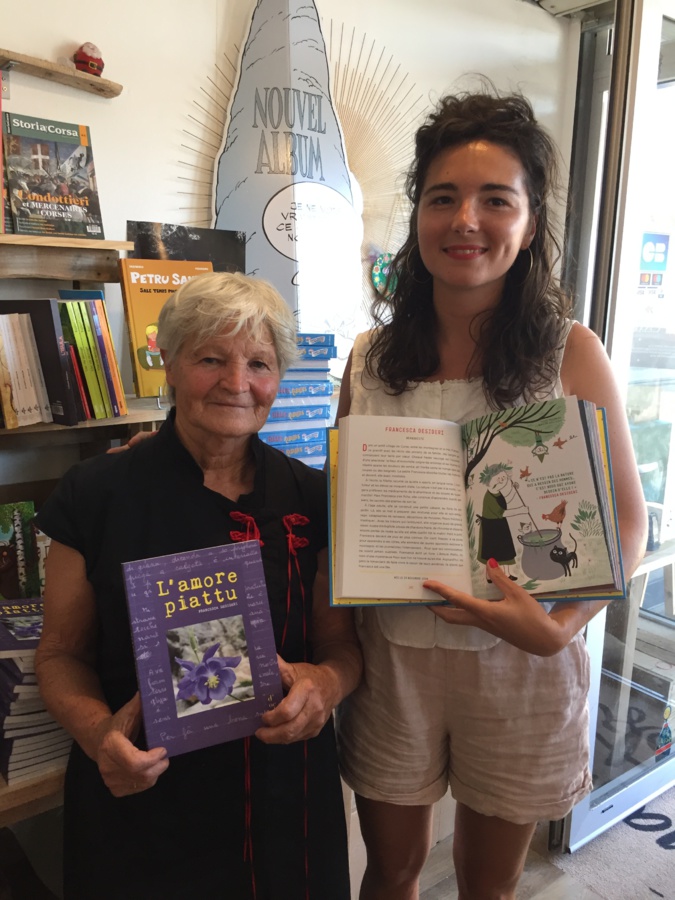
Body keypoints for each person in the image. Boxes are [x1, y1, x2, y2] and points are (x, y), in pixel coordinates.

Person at [335, 87, 647, 900]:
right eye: (442, 198)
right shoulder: (368, 359)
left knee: (487, 886)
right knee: (391, 874)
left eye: (494, 200)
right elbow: (344, 509)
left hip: (522, 663)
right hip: (393, 657)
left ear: (529, 223)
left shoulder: (570, 352)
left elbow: (624, 520)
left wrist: (559, 628)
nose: (464, 220)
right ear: (417, 218)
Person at [35, 272, 362, 900]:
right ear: (170, 364)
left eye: (259, 364)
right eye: (211, 358)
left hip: (284, 798)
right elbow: (60, 655)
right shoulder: (95, 495)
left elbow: (341, 647)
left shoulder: (311, 494)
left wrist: (326, 684)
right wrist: (99, 733)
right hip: (146, 801)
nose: (237, 383)